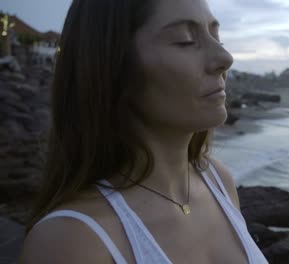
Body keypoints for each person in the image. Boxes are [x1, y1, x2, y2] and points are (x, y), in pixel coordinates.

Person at [18, 0, 268, 263]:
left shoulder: (218, 181)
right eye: (184, 40)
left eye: (216, 37)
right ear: (113, 67)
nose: (225, 58)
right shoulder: (71, 242)